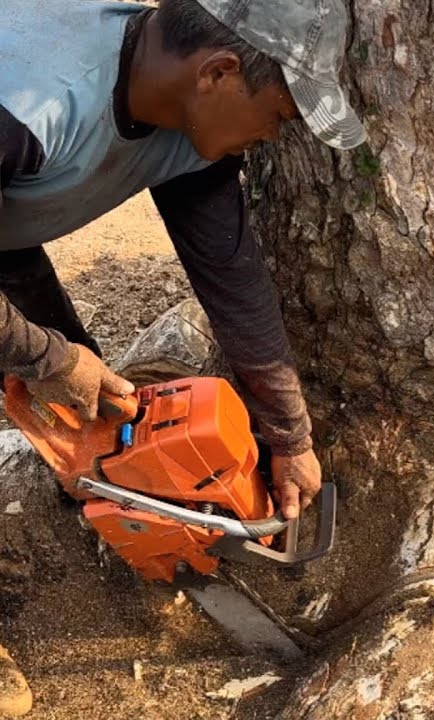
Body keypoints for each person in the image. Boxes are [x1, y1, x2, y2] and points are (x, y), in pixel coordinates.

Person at [0, 0, 367, 713]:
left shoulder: (187, 127)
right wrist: (47, 357)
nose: (269, 138)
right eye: (279, 118)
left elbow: (231, 277)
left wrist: (289, 438)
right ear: (220, 72)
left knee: (91, 415)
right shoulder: (30, 104)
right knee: (58, 366)